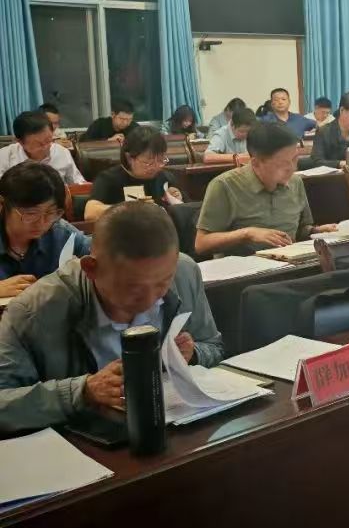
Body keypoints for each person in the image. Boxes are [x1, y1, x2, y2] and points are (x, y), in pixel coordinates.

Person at [0, 202, 224, 432]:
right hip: (82, 443)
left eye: (162, 283)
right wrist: (83, 391)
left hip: (170, 425)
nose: (150, 301)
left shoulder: (184, 272)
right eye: (134, 288)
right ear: (90, 269)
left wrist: (193, 354)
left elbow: (213, 346)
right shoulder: (32, 312)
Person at [195, 122, 336, 257]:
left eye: (294, 159)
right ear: (256, 163)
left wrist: (316, 231)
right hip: (245, 268)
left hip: (289, 263)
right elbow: (201, 244)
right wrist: (247, 234)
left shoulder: (295, 182)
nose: (292, 168)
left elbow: (300, 230)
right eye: (282, 163)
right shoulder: (225, 185)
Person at [0, 163, 91, 297]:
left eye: (51, 213)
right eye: (31, 214)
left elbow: (101, 256)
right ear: (2, 205)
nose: (42, 223)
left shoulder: (60, 232)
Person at [84, 126, 185, 222]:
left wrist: (178, 198)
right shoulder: (109, 179)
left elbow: (186, 209)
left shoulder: (165, 177)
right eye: (148, 161)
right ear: (129, 158)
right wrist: (131, 209)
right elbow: (90, 213)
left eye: (161, 160)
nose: (156, 166)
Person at [0, 112, 86, 185]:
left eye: (48, 140)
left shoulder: (61, 152)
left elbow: (78, 183)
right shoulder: (5, 156)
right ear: (20, 142)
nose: (46, 147)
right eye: (39, 144)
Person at [311, 92, 349, 169]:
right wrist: (340, 163)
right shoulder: (324, 132)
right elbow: (316, 162)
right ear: (342, 110)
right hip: (332, 175)